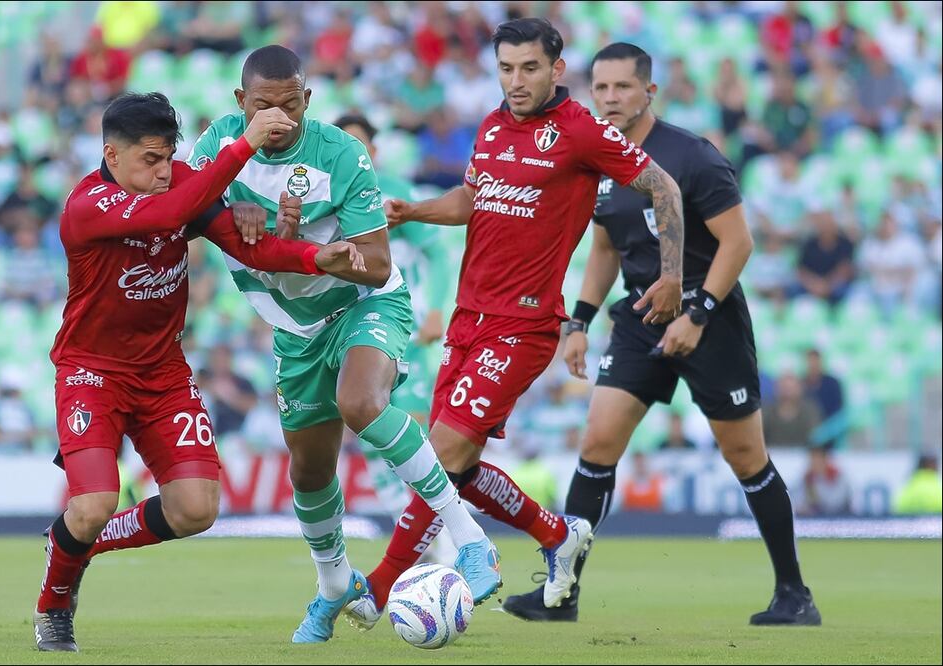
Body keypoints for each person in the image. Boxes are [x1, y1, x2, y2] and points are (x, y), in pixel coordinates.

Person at [349, 20, 686, 628]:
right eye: (506, 69)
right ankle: (557, 534)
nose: (516, 81)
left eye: (529, 68)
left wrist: (672, 276)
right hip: (467, 319)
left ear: (557, 69)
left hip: (524, 326)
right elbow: (472, 199)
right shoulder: (493, 124)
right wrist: (412, 211)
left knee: (440, 452)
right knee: (456, 467)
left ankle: (377, 586)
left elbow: (663, 186)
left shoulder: (581, 131)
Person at [188, 46, 502, 644]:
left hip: (363, 303)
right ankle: (334, 586)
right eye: (263, 107)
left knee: (361, 402)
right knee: (308, 471)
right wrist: (239, 218)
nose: (277, 119)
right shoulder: (220, 148)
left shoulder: (340, 153)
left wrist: (304, 242)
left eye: (290, 105)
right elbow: (193, 209)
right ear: (240, 104)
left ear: (307, 100)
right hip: (295, 329)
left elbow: (379, 261)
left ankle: (471, 540)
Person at [32, 91, 365, 652]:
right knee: (90, 506)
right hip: (93, 373)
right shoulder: (87, 205)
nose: (165, 173)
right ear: (112, 156)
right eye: (150, 161)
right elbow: (169, 213)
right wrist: (243, 146)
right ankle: (54, 605)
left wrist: (314, 258)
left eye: (169, 158)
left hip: (163, 374)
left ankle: (78, 544)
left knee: (197, 509)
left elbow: (250, 249)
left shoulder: (179, 183)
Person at [503, 43, 820, 627]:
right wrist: (579, 320)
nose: (610, 99)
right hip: (638, 317)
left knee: (746, 457)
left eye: (623, 88)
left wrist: (696, 313)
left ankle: (793, 594)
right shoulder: (596, 159)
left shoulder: (692, 156)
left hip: (710, 317)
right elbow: (605, 246)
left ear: (649, 91)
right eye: (601, 88)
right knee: (596, 443)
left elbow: (739, 242)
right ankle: (562, 594)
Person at [334, 112, 458, 564]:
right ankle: (427, 546)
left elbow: (438, 254)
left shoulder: (394, 196)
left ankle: (439, 538)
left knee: (419, 434)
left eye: (361, 147)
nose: (355, 154)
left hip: (403, 328)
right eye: (345, 145)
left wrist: (436, 310)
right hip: (351, 332)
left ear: (375, 152)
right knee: (372, 435)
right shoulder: (324, 199)